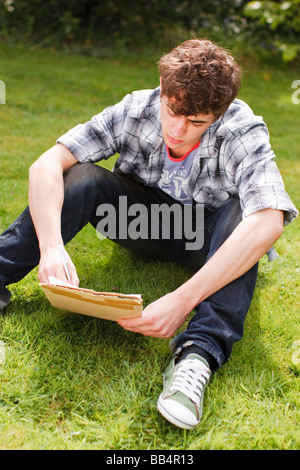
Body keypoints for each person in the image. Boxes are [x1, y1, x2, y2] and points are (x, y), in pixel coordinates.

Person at [0, 39, 298, 430]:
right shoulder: (135, 109)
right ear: (161, 85)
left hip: (205, 240)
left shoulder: (241, 129)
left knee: (249, 212)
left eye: (195, 122)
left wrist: (182, 298)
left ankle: (197, 356)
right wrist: (52, 246)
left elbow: (270, 221)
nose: (177, 130)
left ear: (219, 113)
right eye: (172, 111)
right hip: (139, 224)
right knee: (83, 175)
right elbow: (46, 164)